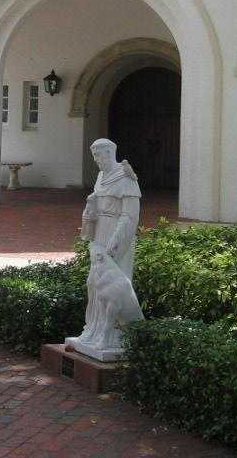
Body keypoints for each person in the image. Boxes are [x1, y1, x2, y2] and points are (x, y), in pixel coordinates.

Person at [68, 138, 143, 355]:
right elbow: (96, 205)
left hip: (116, 236)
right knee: (94, 283)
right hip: (100, 234)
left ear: (110, 153)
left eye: (98, 155)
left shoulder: (126, 177)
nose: (95, 160)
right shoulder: (101, 177)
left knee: (113, 287)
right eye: (93, 155)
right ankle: (95, 329)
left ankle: (114, 335)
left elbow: (130, 215)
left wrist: (115, 241)